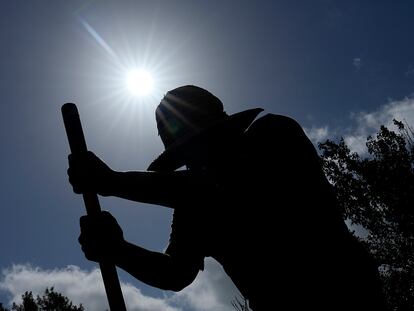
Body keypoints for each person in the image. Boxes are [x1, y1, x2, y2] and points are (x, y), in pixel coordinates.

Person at [68, 85, 387, 310]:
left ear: (224, 130)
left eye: (198, 145)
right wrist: (118, 250)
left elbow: (222, 185)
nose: (193, 160)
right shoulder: (192, 204)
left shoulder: (275, 136)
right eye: (184, 154)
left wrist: (111, 182)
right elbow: (175, 273)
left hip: (348, 295)